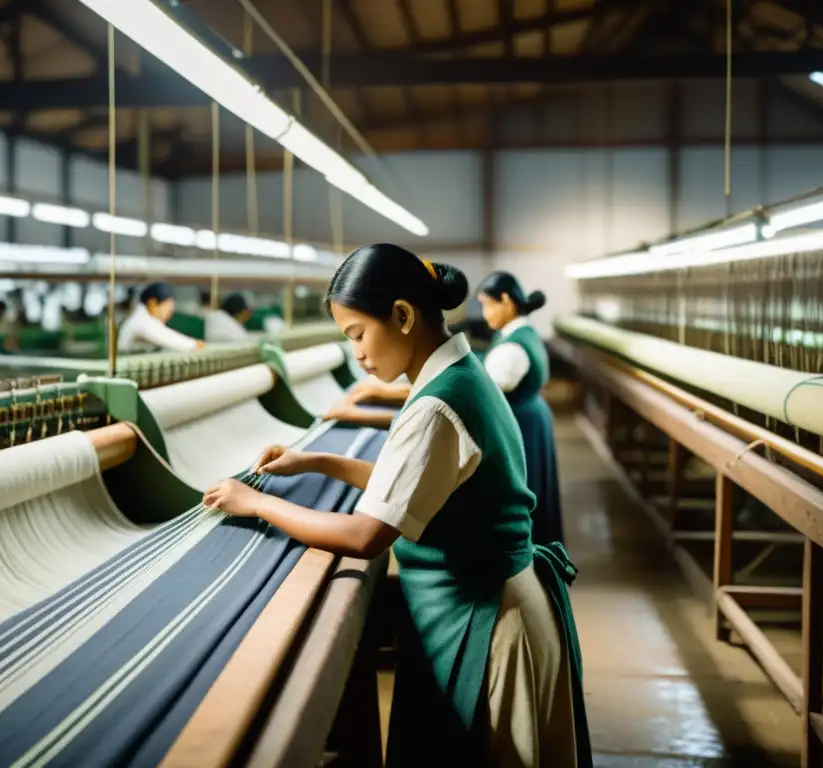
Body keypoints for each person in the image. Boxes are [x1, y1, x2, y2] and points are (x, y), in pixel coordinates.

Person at [203, 243, 590, 768]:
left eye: (358, 334)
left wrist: (256, 505)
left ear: (403, 316)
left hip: (488, 621)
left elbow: (368, 533)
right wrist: (315, 461)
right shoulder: (460, 375)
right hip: (501, 601)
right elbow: (415, 489)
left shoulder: (436, 403)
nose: (357, 354)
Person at [477, 271, 563, 547]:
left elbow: (483, 393)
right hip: (530, 416)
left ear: (506, 301)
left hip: (522, 423)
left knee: (524, 490)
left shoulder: (512, 348)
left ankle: (527, 555)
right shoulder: (520, 333)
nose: (485, 313)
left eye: (487, 305)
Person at [116, 282, 205, 353]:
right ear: (152, 304)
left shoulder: (147, 319)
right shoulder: (140, 321)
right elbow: (168, 338)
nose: (170, 312)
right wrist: (193, 344)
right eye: (168, 307)